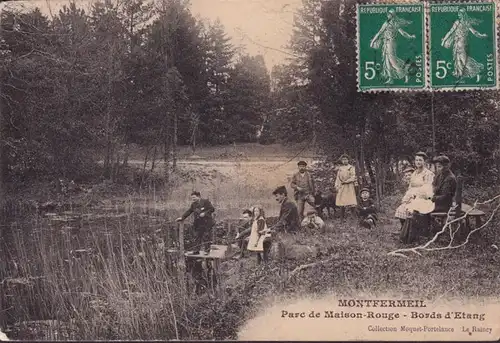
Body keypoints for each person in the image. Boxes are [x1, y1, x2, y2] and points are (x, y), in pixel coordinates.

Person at [370, 9, 416, 84]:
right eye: (387, 14)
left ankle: (405, 73)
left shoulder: (395, 24)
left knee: (393, 61)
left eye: (389, 14)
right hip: (385, 43)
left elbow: (403, 33)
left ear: (392, 16)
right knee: (387, 61)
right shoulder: (386, 23)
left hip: (391, 43)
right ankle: (390, 79)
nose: (387, 15)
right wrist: (373, 41)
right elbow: (379, 32)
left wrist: (410, 36)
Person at [441, 8, 487, 82]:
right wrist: (444, 40)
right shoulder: (458, 22)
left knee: (463, 59)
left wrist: (481, 35)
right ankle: (460, 75)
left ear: (463, 14)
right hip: (457, 43)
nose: (458, 15)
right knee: (458, 59)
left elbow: (474, 32)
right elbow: (450, 32)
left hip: (461, 44)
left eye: (460, 13)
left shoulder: (466, 23)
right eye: (458, 13)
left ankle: (475, 70)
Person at [176, 191, 215, 255]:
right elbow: (189, 211)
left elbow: (212, 209)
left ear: (198, 196)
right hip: (199, 223)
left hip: (207, 222)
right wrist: (182, 217)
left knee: (206, 236)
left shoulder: (205, 202)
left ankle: (207, 251)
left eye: (194, 197)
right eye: (192, 198)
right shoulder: (193, 204)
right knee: (197, 237)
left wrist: (204, 213)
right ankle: (196, 251)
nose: (193, 199)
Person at [334, 154, 358, 222]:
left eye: (346, 159)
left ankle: (354, 218)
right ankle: (342, 219)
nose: (344, 161)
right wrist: (336, 186)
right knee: (342, 203)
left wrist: (346, 181)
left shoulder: (351, 167)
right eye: (343, 160)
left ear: (348, 160)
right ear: (341, 161)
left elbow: (353, 177)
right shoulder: (340, 169)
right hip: (342, 187)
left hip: (349, 187)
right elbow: (337, 178)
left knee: (351, 202)